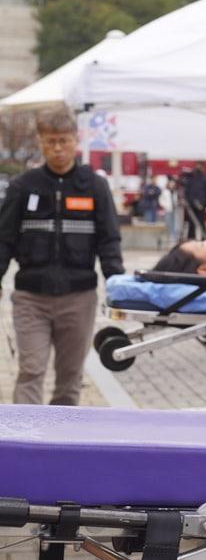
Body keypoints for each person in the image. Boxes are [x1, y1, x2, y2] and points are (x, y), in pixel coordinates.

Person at [0, 108, 124, 405]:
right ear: (40, 142)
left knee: (70, 377)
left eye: (64, 141)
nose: (57, 148)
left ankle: (60, 444)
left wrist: (117, 283)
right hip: (31, 298)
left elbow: (109, 240)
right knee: (31, 370)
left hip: (78, 298)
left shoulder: (95, 186)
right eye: (50, 141)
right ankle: (26, 443)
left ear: (75, 140)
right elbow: (3, 240)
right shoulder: (23, 187)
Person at [182, 161, 206, 240]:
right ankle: (191, 239)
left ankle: (204, 239)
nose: (198, 167)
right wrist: (186, 200)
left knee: (202, 223)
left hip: (202, 206)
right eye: (197, 165)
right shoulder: (191, 178)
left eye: (200, 166)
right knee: (191, 224)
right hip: (191, 205)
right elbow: (187, 190)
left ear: (203, 167)